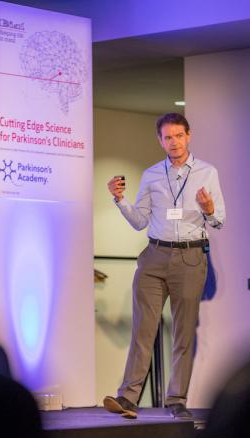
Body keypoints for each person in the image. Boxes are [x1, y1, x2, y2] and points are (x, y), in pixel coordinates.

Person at [103, 113, 225, 419]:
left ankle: (176, 400)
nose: (173, 142)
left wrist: (209, 209)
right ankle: (128, 397)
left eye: (178, 136)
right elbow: (140, 221)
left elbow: (219, 220)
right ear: (160, 140)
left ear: (189, 136)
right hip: (154, 256)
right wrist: (120, 201)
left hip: (190, 257)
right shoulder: (152, 175)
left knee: (184, 333)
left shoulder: (207, 172)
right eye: (167, 137)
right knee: (143, 329)